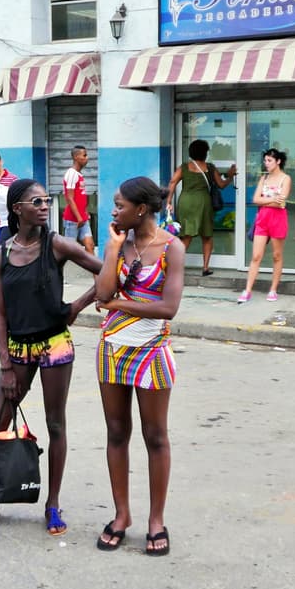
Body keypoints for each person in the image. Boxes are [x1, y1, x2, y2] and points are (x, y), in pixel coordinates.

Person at [0, 179, 102, 535]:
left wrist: (76, 308)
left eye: (46, 200)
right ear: (17, 209)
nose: (44, 206)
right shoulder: (0, 255)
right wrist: (6, 365)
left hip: (55, 344)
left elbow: (107, 272)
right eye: (36, 201)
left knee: (56, 425)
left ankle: (52, 505)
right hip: (18, 350)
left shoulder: (57, 245)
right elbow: (2, 315)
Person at [93, 176, 183, 555]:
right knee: (116, 433)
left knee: (155, 436)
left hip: (152, 352)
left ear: (141, 208)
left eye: (120, 205)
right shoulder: (120, 244)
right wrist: (113, 251)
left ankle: (156, 520)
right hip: (113, 350)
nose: (114, 211)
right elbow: (101, 294)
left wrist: (119, 305)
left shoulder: (172, 248)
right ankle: (121, 515)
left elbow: (168, 308)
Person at [164, 139, 237, 275]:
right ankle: (205, 268)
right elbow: (221, 185)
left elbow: (172, 182)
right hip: (203, 203)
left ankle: (172, 267)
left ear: (191, 153)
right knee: (207, 236)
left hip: (186, 202)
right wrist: (230, 176)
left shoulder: (184, 167)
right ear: (205, 153)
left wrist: (168, 202)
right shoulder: (210, 167)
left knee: (186, 236)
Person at [239, 149, 293, 303]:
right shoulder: (264, 178)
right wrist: (273, 199)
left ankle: (273, 289)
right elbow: (256, 199)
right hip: (262, 219)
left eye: (269, 160)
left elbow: (281, 203)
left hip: (278, 219)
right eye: (265, 160)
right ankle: (247, 289)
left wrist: (267, 199)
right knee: (256, 256)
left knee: (277, 255)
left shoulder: (285, 179)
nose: (266, 163)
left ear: (278, 162)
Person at [62, 145, 95, 254]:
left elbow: (80, 197)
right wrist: (78, 217)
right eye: (84, 155)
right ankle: (58, 270)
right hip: (73, 219)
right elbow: (69, 198)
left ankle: (97, 271)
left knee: (90, 246)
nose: (87, 158)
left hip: (82, 218)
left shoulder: (78, 174)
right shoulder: (71, 174)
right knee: (69, 251)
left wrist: (84, 214)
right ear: (76, 157)